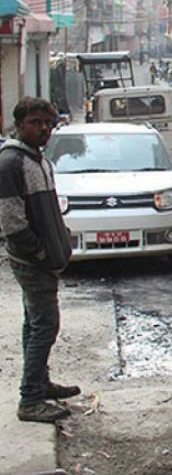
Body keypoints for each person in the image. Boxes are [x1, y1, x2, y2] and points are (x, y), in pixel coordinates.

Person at [0, 98, 79, 423]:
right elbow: (12, 222)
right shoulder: (11, 164)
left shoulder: (38, 160)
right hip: (32, 262)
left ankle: (39, 383)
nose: (44, 128)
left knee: (34, 324)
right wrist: (42, 253)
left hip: (42, 259)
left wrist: (61, 239)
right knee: (45, 325)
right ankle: (31, 399)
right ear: (20, 125)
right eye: (36, 123)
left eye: (48, 123)